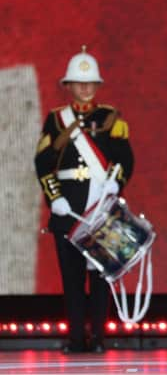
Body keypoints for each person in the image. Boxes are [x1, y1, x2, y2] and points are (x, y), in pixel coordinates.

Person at [34, 46, 134, 353]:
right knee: (73, 278)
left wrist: (115, 186)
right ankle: (76, 338)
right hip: (67, 210)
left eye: (90, 83)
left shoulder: (110, 118)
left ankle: (99, 339)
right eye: (79, 83)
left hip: (100, 208)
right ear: (69, 86)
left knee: (100, 278)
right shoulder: (56, 120)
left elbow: (125, 160)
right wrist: (55, 200)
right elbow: (42, 163)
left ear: (97, 85)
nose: (85, 88)